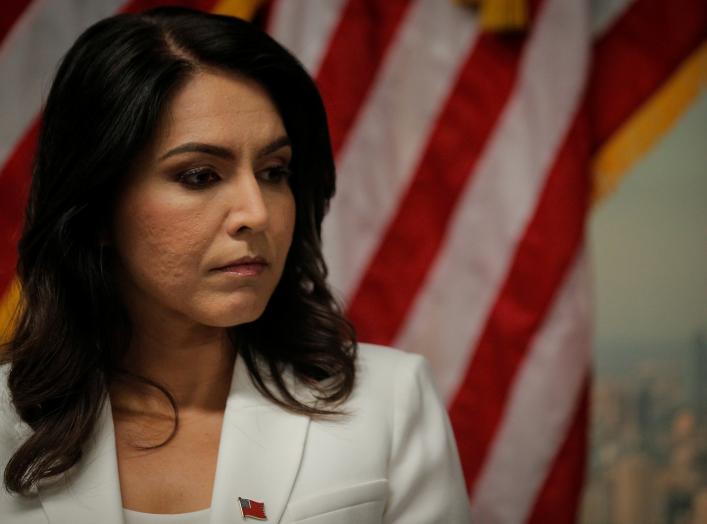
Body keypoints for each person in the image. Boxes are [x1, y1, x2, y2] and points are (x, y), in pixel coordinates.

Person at [0, 7, 471, 524]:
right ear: (96, 210)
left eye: (274, 171)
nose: (257, 212)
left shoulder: (392, 401)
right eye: (200, 175)